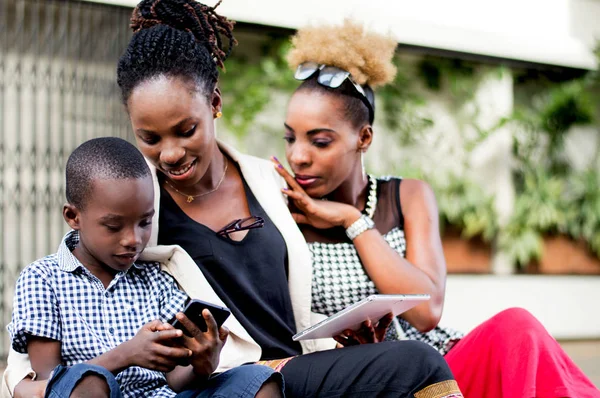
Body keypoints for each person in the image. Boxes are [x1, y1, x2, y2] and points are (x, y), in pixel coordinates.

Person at [113, 0, 461, 397]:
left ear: (214, 104)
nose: (170, 153)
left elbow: (293, 304)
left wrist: (350, 336)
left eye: (186, 129)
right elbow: (77, 272)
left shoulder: (270, 184)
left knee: (411, 363)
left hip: (298, 366)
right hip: (226, 380)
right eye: (151, 139)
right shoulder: (139, 204)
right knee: (419, 362)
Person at [273, 20, 600, 398]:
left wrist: (352, 221)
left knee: (517, 326)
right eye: (290, 138)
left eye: (320, 141)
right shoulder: (281, 211)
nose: (298, 156)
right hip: (360, 382)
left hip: (439, 363)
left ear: (364, 138)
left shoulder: (406, 195)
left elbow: (426, 312)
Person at [5, 137, 282, 398]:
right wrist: (126, 355)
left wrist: (201, 364)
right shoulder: (42, 278)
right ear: (73, 216)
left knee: (256, 381)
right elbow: (52, 383)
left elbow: (174, 380)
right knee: (86, 381)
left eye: (145, 222)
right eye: (114, 226)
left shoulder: (156, 278)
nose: (133, 240)